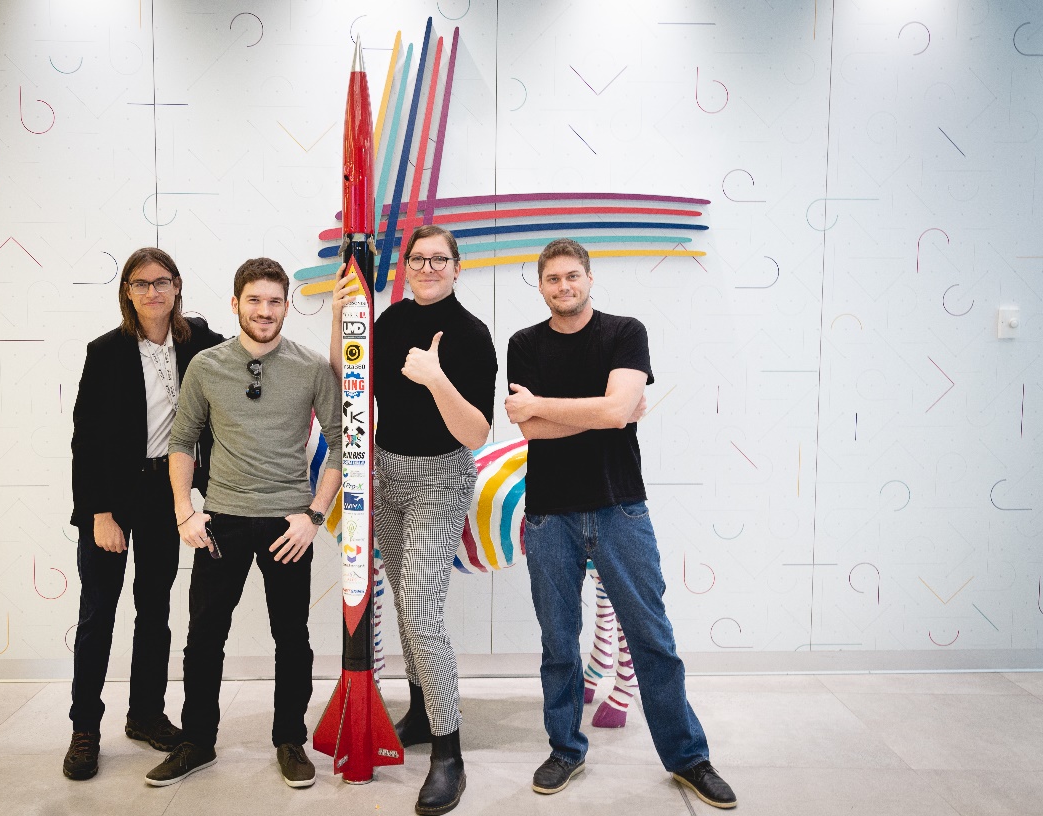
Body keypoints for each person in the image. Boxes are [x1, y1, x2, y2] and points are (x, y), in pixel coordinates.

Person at [504, 238, 737, 809]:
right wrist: (605, 410)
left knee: (652, 637)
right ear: (541, 286)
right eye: (553, 279)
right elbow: (534, 431)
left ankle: (688, 758)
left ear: (589, 278)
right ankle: (565, 749)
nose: (564, 286)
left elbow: (602, 413)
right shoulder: (523, 343)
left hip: (619, 508)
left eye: (573, 276)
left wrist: (551, 405)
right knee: (559, 643)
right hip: (550, 515)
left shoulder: (624, 332)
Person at [144, 257, 342, 789]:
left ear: (285, 307)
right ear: (236, 304)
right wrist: (185, 511)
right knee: (205, 636)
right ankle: (196, 741)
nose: (264, 310)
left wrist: (313, 517)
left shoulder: (310, 368)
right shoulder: (207, 366)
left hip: (287, 524)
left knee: (291, 638)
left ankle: (290, 741)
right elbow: (181, 441)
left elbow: (345, 446)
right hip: (222, 520)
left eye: (274, 301)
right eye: (254, 300)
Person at [331, 225, 497, 816]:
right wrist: (342, 308)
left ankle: (448, 752)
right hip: (387, 476)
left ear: (457, 267)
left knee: (421, 606)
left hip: (441, 479)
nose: (428, 267)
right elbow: (347, 370)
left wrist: (435, 377)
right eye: (418, 259)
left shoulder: (473, 336)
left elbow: (476, 435)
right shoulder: (390, 321)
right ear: (405, 266)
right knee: (403, 605)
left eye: (439, 259)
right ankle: (423, 711)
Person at [65, 247, 224, 780]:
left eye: (162, 282)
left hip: (166, 492)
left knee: (154, 612)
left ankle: (146, 715)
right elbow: (85, 441)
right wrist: (98, 514)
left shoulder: (199, 341)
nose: (152, 292)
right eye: (140, 284)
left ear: (177, 286)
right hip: (113, 497)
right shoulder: (105, 351)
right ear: (127, 293)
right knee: (97, 618)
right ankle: (84, 726)